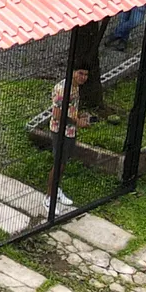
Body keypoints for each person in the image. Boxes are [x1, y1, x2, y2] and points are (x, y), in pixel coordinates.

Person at [46, 68, 90, 208]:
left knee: (63, 162)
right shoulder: (62, 89)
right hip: (60, 131)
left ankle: (56, 190)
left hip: (70, 131)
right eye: (80, 73)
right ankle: (48, 198)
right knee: (58, 164)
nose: (83, 77)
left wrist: (80, 116)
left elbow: (70, 109)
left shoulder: (76, 87)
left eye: (86, 75)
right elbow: (58, 115)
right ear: (73, 72)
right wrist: (77, 122)